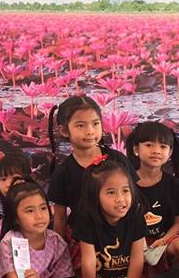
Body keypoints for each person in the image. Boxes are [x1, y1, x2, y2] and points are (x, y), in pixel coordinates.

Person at [62, 157, 147, 278]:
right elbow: (88, 260)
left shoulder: (135, 217)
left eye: (125, 191)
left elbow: (137, 259)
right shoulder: (87, 219)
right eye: (111, 192)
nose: (121, 199)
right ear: (95, 196)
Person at [47, 95, 135, 240]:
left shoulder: (118, 160)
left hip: (122, 234)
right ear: (64, 131)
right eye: (81, 125)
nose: (90, 131)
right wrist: (59, 253)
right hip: (84, 239)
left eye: (95, 123)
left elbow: (134, 200)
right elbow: (60, 218)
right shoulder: (63, 172)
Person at [125, 121, 179, 270]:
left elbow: (178, 223)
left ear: (169, 153)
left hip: (162, 241)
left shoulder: (174, 185)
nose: (156, 151)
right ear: (136, 149)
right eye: (149, 145)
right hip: (129, 242)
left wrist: (164, 240)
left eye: (163, 146)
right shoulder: (124, 183)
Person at [0, 151, 32, 239]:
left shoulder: (35, 211)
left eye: (15, 178)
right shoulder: (9, 210)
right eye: (3, 179)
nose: (8, 184)